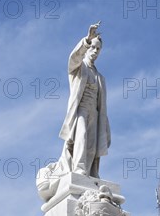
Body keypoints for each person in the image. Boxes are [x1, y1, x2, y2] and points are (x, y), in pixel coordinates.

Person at [37, 22, 111, 200]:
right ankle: (79, 169)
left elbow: (103, 105)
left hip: (95, 113)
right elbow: (73, 59)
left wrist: (106, 127)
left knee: (92, 145)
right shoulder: (79, 68)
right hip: (81, 111)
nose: (94, 51)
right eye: (93, 47)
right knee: (81, 137)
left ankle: (91, 173)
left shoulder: (100, 77)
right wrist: (87, 40)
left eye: (98, 49)